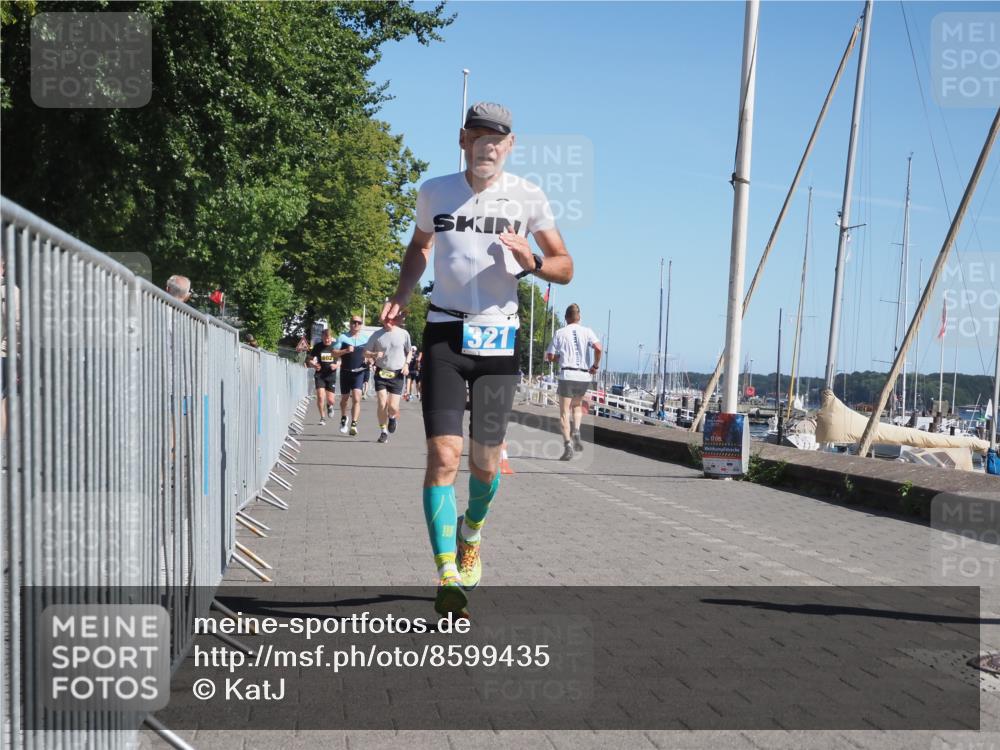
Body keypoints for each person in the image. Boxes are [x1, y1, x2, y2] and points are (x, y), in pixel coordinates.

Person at [381, 101, 573, 615]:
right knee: (444, 456)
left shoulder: (528, 197)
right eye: (479, 137)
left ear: (510, 146)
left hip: (499, 342)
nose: (488, 146)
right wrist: (403, 291)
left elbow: (565, 266)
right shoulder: (435, 191)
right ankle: (447, 571)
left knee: (485, 463)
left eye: (498, 139)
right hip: (443, 333)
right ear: (463, 140)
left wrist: (532, 261)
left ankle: (472, 531)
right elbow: (420, 246)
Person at [546, 303, 602, 460]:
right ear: (580, 317)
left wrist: (558, 357)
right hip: (584, 376)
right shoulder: (587, 331)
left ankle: (568, 446)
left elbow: (549, 356)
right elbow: (598, 348)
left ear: (566, 318)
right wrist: (595, 365)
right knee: (577, 406)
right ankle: (576, 430)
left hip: (567, 375)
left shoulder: (560, 332)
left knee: (564, 413)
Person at [363, 312, 412, 443]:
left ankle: (392, 418)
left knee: (393, 407)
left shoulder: (403, 333)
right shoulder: (376, 335)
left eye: (390, 319)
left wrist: (406, 365)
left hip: (397, 373)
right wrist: (373, 354)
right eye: (386, 319)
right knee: (382, 402)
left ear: (394, 320)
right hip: (381, 372)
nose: (388, 321)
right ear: (382, 320)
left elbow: (409, 351)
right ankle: (383, 431)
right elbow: (365, 352)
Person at [333, 316, 370, 436]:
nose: (356, 324)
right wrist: (345, 351)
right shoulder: (343, 337)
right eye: (354, 322)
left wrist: (370, 359)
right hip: (345, 371)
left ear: (361, 325)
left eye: (359, 323)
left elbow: (368, 353)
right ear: (350, 324)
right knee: (344, 399)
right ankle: (344, 418)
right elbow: (334, 353)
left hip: (359, 372)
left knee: (357, 397)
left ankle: (354, 424)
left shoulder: (365, 338)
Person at [307, 329, 340, 425]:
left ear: (331, 338)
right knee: (321, 397)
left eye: (328, 338)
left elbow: (341, 360)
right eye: (325, 338)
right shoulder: (318, 347)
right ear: (322, 337)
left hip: (331, 375)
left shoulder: (335, 346)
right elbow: (310, 360)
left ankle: (330, 406)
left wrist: (336, 366)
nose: (327, 340)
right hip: (320, 375)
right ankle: (322, 417)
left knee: (331, 400)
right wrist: (314, 365)